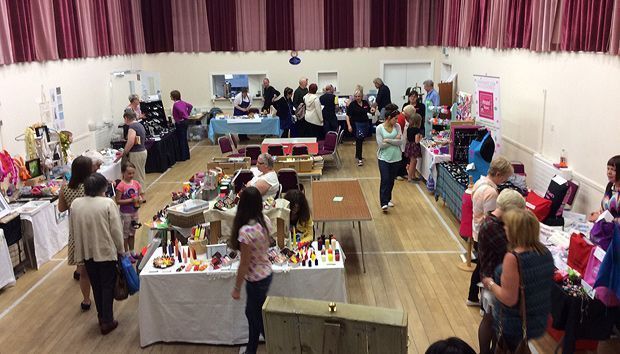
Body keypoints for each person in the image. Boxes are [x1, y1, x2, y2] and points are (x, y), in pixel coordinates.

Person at [481, 209, 554, 351]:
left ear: (515, 231)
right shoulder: (545, 253)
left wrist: (489, 283)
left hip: (514, 325)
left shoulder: (513, 258)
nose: (504, 228)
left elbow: (509, 299)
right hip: (537, 320)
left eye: (507, 226)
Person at [71, 173, 124, 335]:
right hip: (106, 251)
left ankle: (102, 316)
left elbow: (73, 230)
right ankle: (107, 320)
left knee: (97, 285)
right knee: (108, 285)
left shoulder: (76, 204)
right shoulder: (107, 203)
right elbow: (116, 230)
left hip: (87, 252)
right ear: (103, 188)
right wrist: (121, 250)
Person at [477, 189, 526, 354]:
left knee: (491, 319)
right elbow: (512, 251)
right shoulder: (493, 227)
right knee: (493, 320)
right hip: (493, 281)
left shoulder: (492, 222)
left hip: (491, 277)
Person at [230, 187, 273, 354]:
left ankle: (276, 345)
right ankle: (251, 349)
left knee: (257, 320)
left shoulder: (245, 232)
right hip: (266, 273)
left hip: (255, 280)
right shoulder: (265, 221)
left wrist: (236, 288)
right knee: (252, 315)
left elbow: (244, 263)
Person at [467, 156, 514, 306]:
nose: (505, 181)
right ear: (499, 174)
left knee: (481, 267)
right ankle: (481, 302)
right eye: (505, 178)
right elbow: (492, 216)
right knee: (485, 269)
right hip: (484, 235)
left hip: (477, 231)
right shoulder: (491, 193)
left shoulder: (480, 182)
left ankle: (473, 297)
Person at [58, 156, 93, 311]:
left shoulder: (65, 188)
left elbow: (61, 209)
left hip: (76, 229)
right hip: (92, 227)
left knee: (83, 268)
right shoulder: (91, 186)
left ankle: (86, 300)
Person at [115, 161, 145, 262]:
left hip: (134, 213)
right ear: (123, 173)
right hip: (125, 214)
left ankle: (132, 251)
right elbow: (118, 201)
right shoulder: (121, 186)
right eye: (129, 173)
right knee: (125, 234)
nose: (131, 175)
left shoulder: (136, 183)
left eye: (133, 173)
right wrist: (131, 200)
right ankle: (126, 253)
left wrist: (140, 199)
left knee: (133, 232)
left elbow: (141, 195)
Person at [376, 109, 404, 212]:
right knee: (385, 179)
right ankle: (383, 203)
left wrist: (388, 140)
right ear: (389, 118)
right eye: (395, 118)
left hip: (396, 158)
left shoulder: (397, 127)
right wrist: (394, 140)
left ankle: (388, 199)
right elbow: (381, 145)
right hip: (383, 158)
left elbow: (400, 142)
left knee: (391, 180)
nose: (397, 120)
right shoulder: (379, 128)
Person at [589, 155, 620, 223]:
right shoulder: (610, 186)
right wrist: (598, 213)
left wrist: (601, 217)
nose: (609, 172)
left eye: (613, 170)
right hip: (606, 228)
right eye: (608, 168)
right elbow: (605, 207)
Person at [121, 110, 147, 189]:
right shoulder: (139, 125)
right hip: (142, 151)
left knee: (136, 175)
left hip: (136, 153)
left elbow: (131, 141)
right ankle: (141, 192)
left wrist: (125, 152)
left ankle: (141, 194)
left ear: (126, 118)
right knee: (141, 173)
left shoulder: (132, 127)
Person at [346, 89, 371, 167]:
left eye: (359, 96)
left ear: (362, 96)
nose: (357, 98)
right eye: (356, 96)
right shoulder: (352, 105)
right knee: (359, 140)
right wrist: (349, 125)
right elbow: (347, 115)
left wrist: (373, 110)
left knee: (360, 139)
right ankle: (360, 159)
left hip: (365, 123)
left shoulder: (365, 103)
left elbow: (370, 110)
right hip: (357, 124)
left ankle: (357, 154)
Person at [170, 90, 192, 161]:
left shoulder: (176, 104)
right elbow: (190, 106)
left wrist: (178, 120)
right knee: (184, 139)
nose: (170, 97)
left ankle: (183, 157)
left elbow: (177, 114)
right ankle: (187, 155)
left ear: (174, 97)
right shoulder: (182, 102)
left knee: (181, 140)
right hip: (185, 121)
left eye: (171, 96)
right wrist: (187, 114)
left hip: (180, 123)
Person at [404, 110, 423, 182]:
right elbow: (417, 141)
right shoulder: (417, 130)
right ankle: (410, 177)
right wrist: (421, 137)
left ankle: (413, 175)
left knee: (414, 161)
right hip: (414, 146)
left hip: (409, 145)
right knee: (413, 161)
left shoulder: (409, 128)